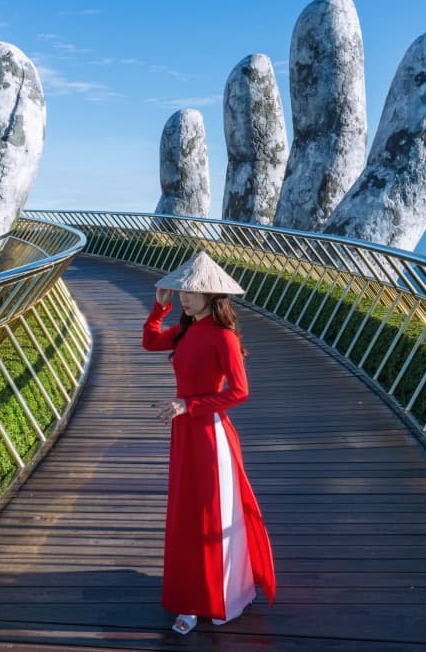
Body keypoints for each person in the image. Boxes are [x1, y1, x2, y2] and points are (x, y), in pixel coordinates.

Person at [142, 251, 276, 635]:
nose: (186, 296)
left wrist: (190, 404)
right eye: (183, 289)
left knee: (211, 516)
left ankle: (218, 598)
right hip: (184, 431)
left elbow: (240, 392)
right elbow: (150, 342)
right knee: (185, 515)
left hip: (210, 434)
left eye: (194, 291)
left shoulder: (225, 338)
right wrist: (158, 307)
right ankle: (189, 598)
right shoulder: (186, 329)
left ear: (214, 295)